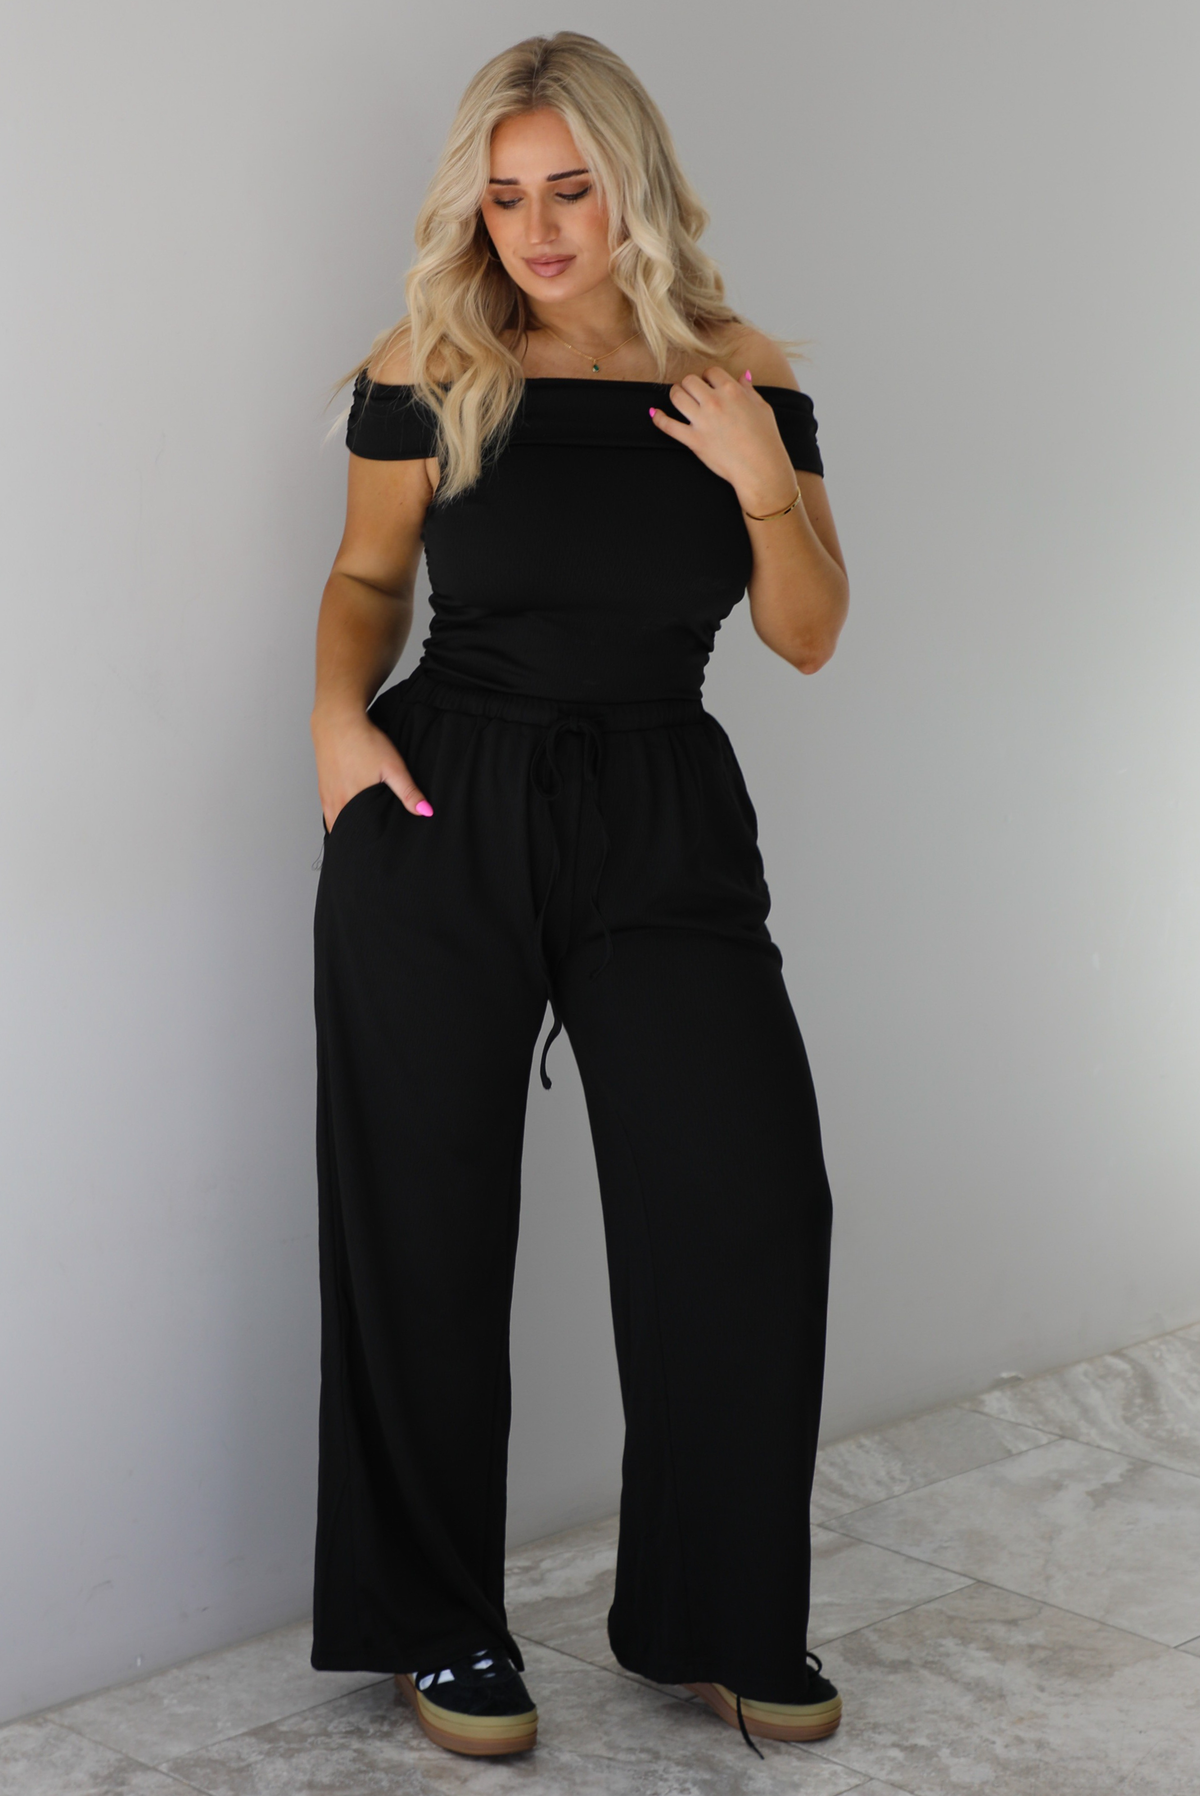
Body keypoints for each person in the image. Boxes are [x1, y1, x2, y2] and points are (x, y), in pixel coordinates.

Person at [309, 29, 849, 1761]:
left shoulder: (735, 366)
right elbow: (366, 572)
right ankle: (434, 1624)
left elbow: (810, 630)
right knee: (424, 1219)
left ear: (637, 181)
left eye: (574, 188)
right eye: (511, 193)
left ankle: (717, 1616)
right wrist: (332, 725)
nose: (540, 229)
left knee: (746, 1205)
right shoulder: (436, 358)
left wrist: (762, 477)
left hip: (664, 808)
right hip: (444, 794)